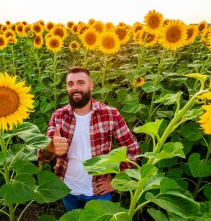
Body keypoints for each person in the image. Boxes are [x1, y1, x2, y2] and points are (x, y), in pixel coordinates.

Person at [38, 66, 140, 211]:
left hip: (98, 190)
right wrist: (51, 147)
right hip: (67, 188)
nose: (75, 88)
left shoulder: (110, 114)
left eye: (81, 82)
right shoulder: (58, 116)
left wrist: (116, 181)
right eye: (70, 84)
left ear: (90, 85)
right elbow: (43, 155)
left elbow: (132, 148)